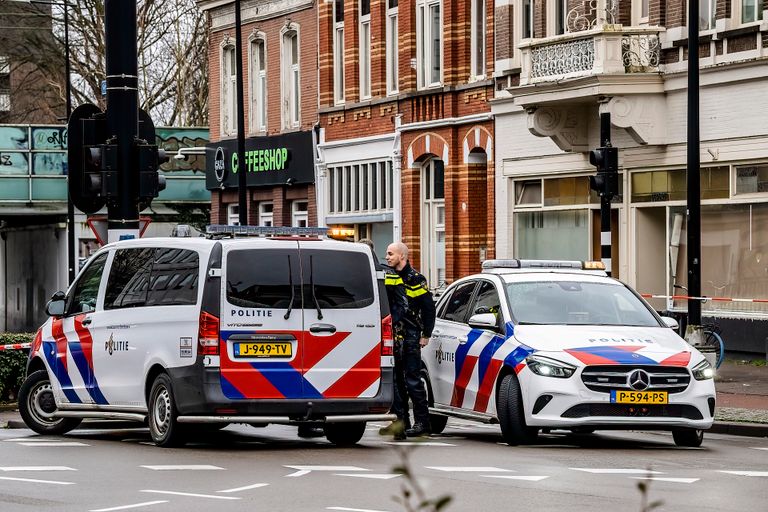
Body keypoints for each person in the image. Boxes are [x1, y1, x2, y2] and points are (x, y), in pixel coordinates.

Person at [380, 241, 436, 438]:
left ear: (402, 256)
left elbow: (429, 308)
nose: (387, 257)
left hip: (411, 335)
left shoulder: (416, 279)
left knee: (412, 380)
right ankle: (401, 423)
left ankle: (423, 423)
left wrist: (426, 334)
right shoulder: (388, 276)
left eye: (390, 254)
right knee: (395, 381)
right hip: (394, 335)